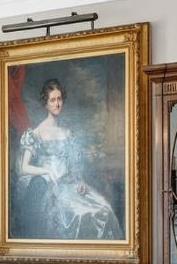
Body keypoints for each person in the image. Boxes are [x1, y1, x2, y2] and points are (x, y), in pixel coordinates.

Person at [13, 78, 122, 239]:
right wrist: (47, 171)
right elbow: (24, 167)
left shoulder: (67, 132)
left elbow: (74, 165)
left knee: (105, 209)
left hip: (70, 184)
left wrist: (81, 181)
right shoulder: (35, 133)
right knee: (80, 214)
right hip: (52, 188)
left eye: (59, 99)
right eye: (52, 100)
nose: (57, 104)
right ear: (46, 103)